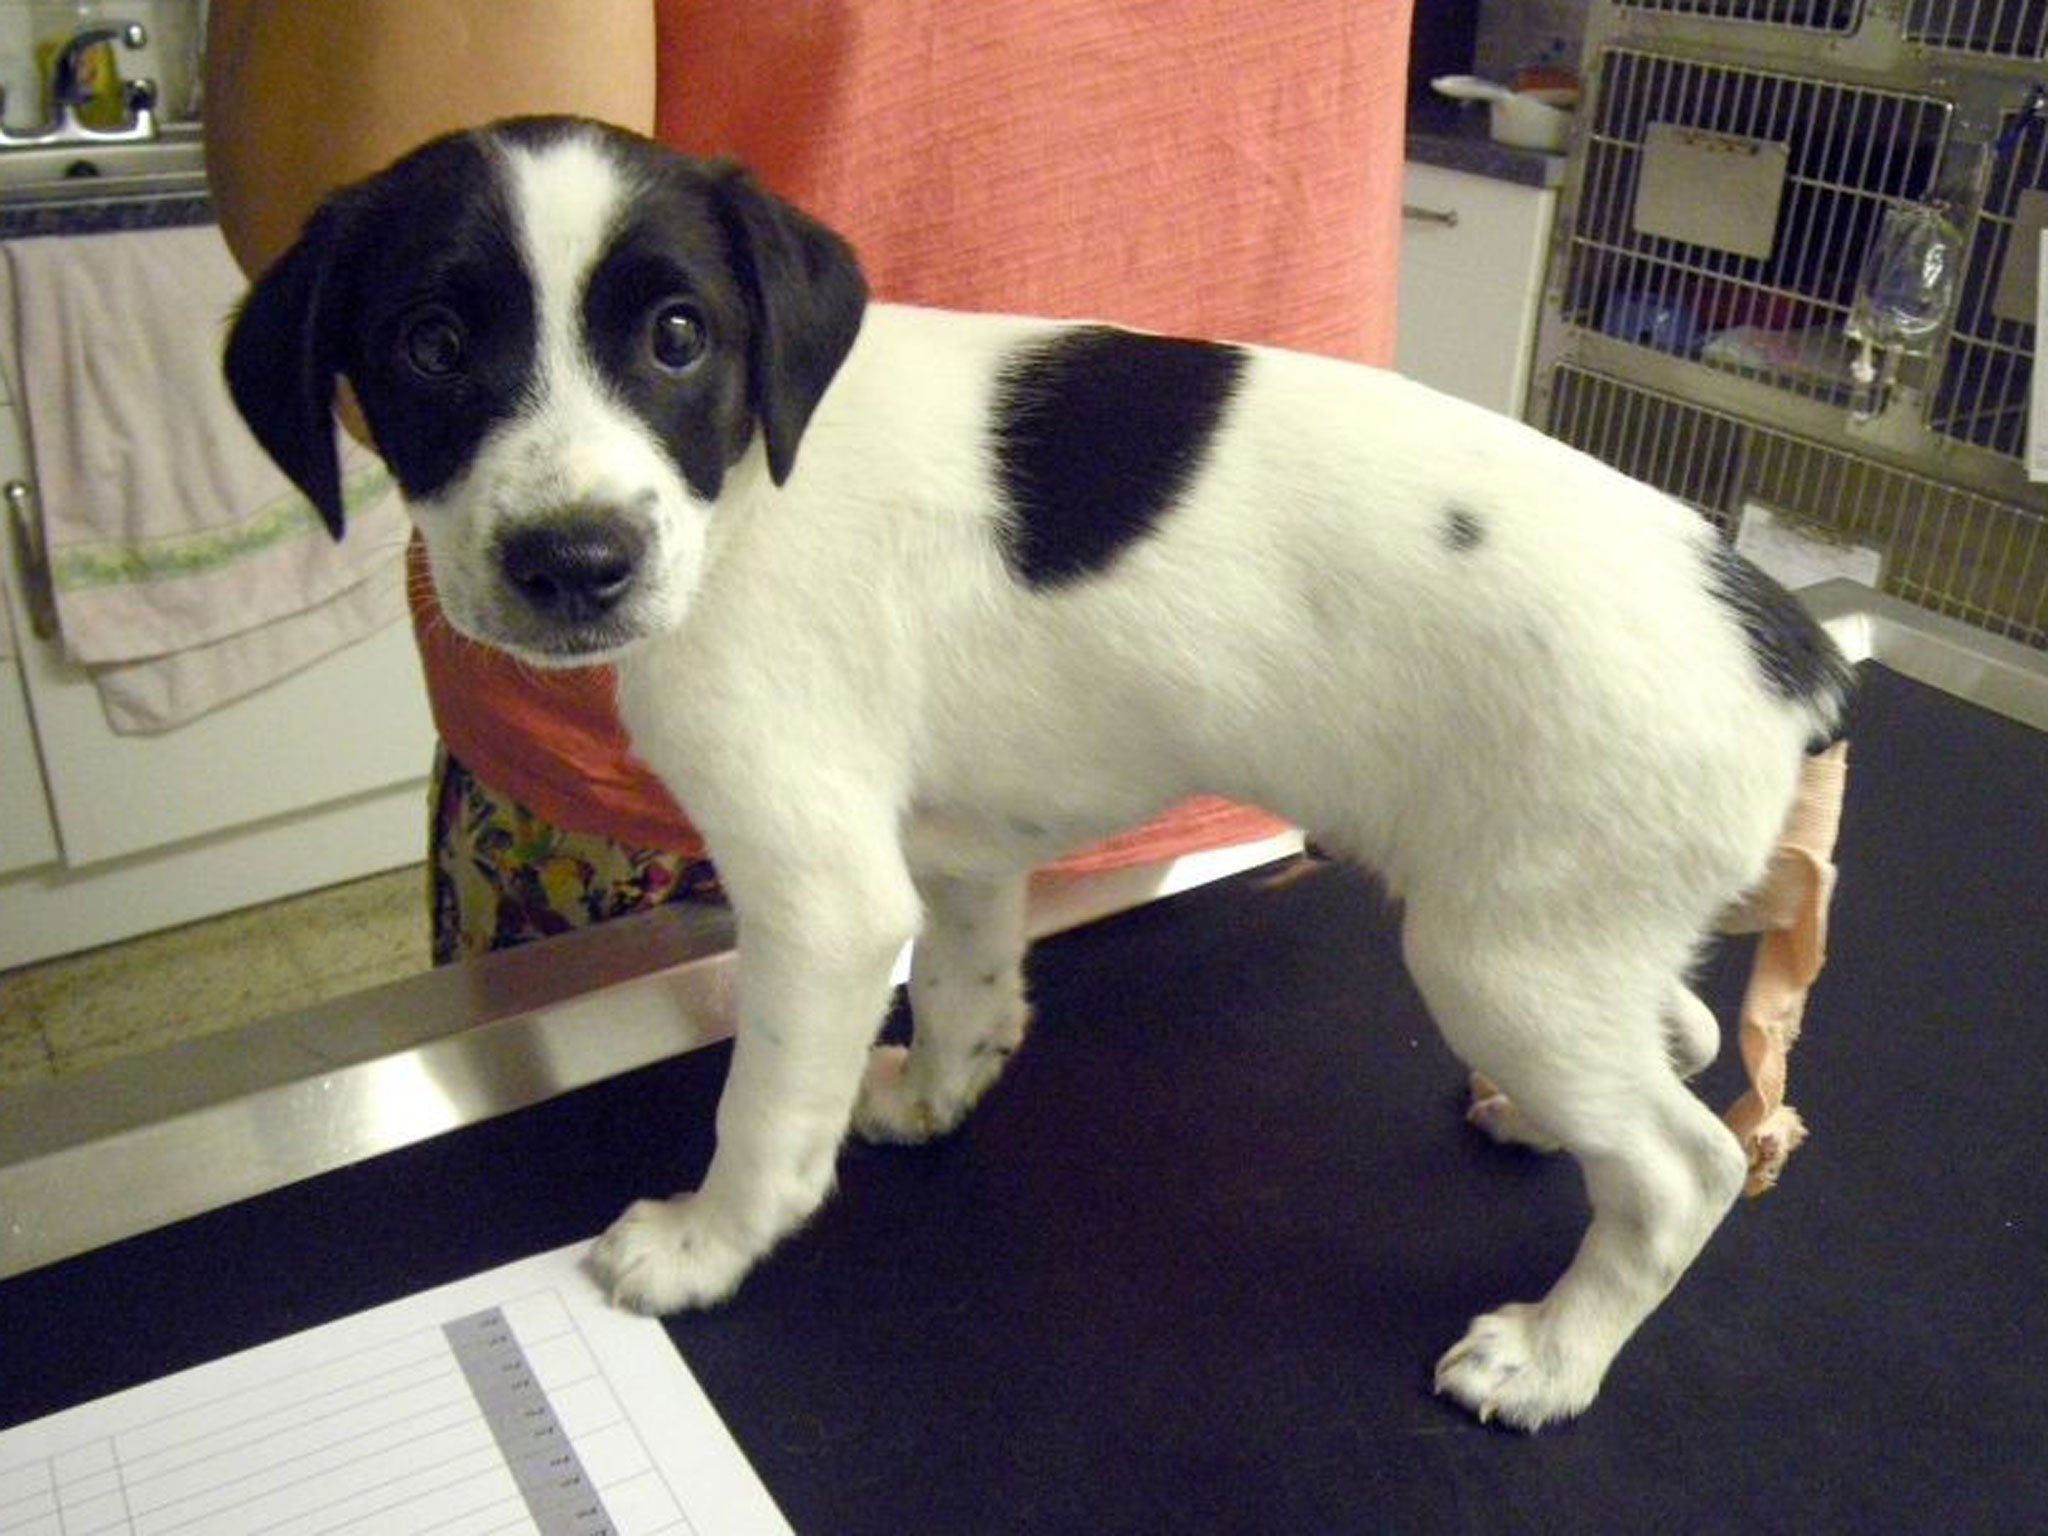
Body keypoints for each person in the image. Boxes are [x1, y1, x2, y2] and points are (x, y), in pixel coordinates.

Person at [205, 0, 1413, 963]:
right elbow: (440, 214)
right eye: (436, 350)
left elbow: (383, 211)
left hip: (1237, 696)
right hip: (1246, 655)